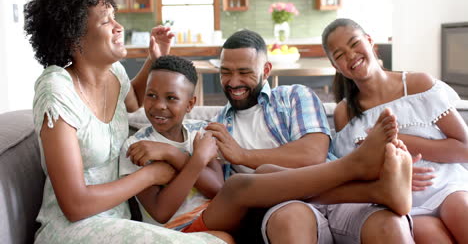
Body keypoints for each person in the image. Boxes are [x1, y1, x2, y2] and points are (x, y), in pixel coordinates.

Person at [119, 54, 412, 242]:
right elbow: (160, 212)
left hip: (219, 212)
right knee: (240, 184)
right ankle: (355, 167)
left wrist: (175, 155)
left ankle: (376, 191)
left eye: (171, 98)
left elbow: (215, 187)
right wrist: (193, 160)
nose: (159, 105)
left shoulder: (201, 131)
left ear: (191, 104)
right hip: (180, 229)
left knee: (269, 171)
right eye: (152, 96)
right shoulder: (137, 145)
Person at [24, 0, 230, 243]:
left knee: (222, 237)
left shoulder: (114, 74)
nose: (118, 27)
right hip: (73, 228)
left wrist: (155, 59)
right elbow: (74, 205)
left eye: (115, 17)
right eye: (106, 21)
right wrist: (150, 175)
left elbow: (133, 101)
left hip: (117, 223)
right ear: (74, 36)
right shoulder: (56, 90)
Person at [205, 29, 414, 243]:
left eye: (244, 72)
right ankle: (370, 183)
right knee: (271, 184)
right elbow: (225, 193)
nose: (233, 82)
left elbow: (312, 154)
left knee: (390, 225)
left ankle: (369, 181)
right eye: (225, 72)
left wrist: (243, 155)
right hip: (283, 206)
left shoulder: (294, 95)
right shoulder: (216, 127)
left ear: (266, 70)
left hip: (337, 194)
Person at [323, 18, 468, 243]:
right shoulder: (344, 113)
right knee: (431, 237)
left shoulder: (418, 84)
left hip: (446, 185)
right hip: (403, 202)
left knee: (463, 212)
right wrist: (392, 175)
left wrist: (397, 139)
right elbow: (352, 172)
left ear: (370, 41)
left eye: (354, 44)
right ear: (335, 66)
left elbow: (464, 149)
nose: (350, 56)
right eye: (339, 55)